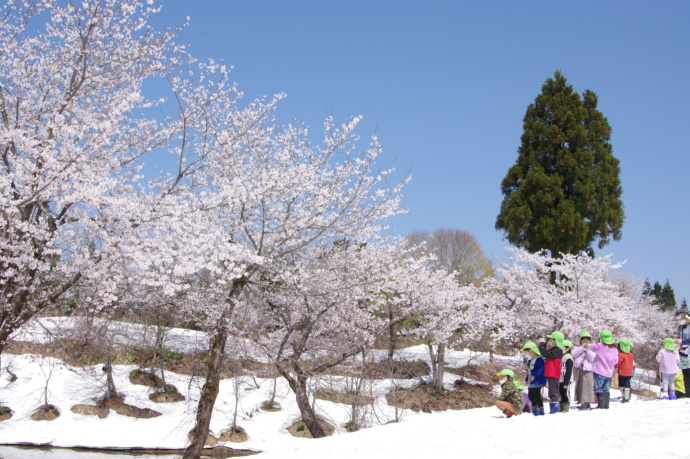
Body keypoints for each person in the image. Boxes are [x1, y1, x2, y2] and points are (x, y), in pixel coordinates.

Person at [590, 329, 619, 409]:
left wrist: (597, 342)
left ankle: (601, 405)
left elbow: (591, 347)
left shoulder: (600, 346)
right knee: (606, 388)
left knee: (598, 388)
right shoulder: (614, 349)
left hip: (599, 371)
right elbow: (616, 360)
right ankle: (606, 405)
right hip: (609, 372)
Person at [538, 331, 564, 414]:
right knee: (552, 392)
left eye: (553, 340)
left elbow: (544, 353)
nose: (551, 342)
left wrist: (541, 344)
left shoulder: (557, 350)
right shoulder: (554, 350)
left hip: (553, 374)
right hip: (551, 373)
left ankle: (555, 409)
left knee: (553, 392)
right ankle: (554, 408)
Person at [572, 331, 596, 410]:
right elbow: (574, 354)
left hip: (588, 369)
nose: (585, 341)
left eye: (587, 339)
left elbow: (593, 358)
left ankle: (587, 402)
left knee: (587, 387)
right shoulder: (578, 347)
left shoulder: (592, 347)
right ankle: (582, 401)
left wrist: (587, 350)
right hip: (580, 369)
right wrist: (582, 348)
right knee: (580, 386)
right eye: (583, 339)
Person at [521, 341, 546, 416]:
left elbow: (541, 369)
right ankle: (534, 410)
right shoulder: (530, 361)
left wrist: (534, 375)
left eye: (527, 352)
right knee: (531, 396)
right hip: (531, 382)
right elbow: (529, 372)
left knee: (537, 395)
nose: (527, 354)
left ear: (531, 351)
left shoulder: (539, 359)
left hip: (537, 381)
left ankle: (540, 410)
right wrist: (526, 379)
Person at [674, 309, 690, 397]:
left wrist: (682, 341)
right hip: (683, 352)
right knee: (685, 374)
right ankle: (687, 394)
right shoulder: (680, 327)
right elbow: (679, 338)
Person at [614, 338, 635, 403]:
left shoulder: (620, 355)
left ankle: (624, 397)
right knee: (627, 384)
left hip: (622, 373)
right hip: (629, 373)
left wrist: (614, 367)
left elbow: (618, 363)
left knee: (622, 385)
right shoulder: (631, 355)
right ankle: (627, 397)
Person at [559, 339, 574, 412]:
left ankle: (566, 408)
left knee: (565, 393)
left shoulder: (569, 358)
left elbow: (569, 371)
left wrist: (566, 382)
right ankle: (561, 407)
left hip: (566, 379)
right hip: (560, 379)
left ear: (567, 349)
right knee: (561, 393)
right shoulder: (561, 357)